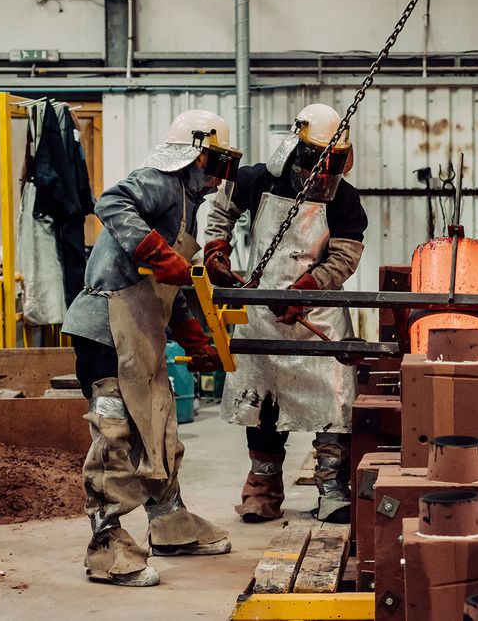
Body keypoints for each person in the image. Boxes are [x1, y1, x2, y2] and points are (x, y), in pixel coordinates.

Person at [62, 110, 241, 587]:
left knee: (158, 425)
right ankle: (106, 542)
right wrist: (158, 254)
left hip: (141, 330)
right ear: (195, 153)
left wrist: (194, 337)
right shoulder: (161, 181)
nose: (218, 174)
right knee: (115, 432)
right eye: (216, 161)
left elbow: (172, 286)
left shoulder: (186, 204)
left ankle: (169, 520)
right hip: (106, 327)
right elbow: (112, 201)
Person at [204, 103, 367, 524]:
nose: (320, 175)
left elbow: (345, 256)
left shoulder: (345, 200)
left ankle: (332, 488)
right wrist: (216, 249)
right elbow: (222, 209)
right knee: (262, 402)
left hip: (318, 317)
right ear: (295, 149)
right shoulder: (259, 180)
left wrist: (309, 287)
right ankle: (262, 489)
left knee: (335, 400)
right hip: (261, 312)